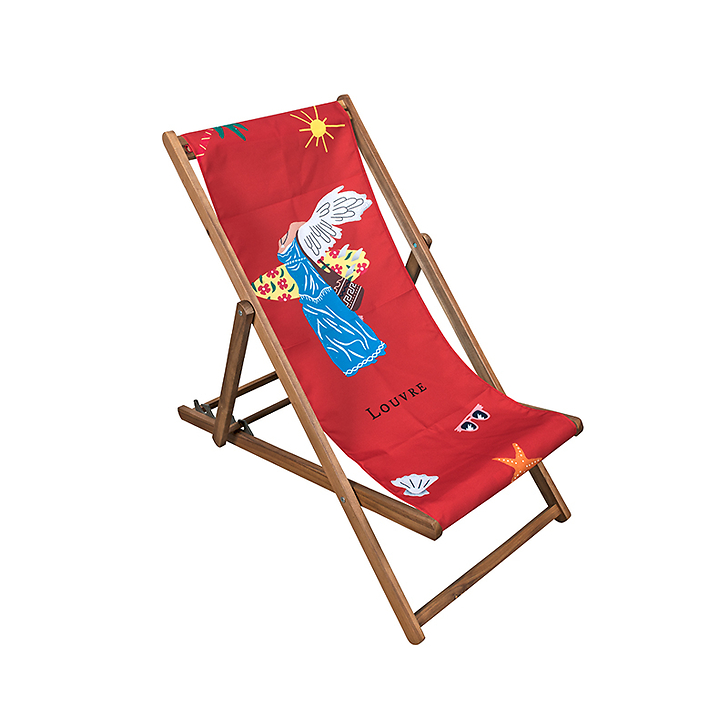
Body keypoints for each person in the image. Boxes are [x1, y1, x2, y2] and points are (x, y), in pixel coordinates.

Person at [277, 221, 386, 377]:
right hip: (315, 297)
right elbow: (295, 227)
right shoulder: (291, 249)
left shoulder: (294, 248)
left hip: (319, 295)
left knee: (345, 323)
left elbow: (296, 226)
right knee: (334, 330)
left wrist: (298, 234)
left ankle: (365, 352)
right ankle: (357, 358)